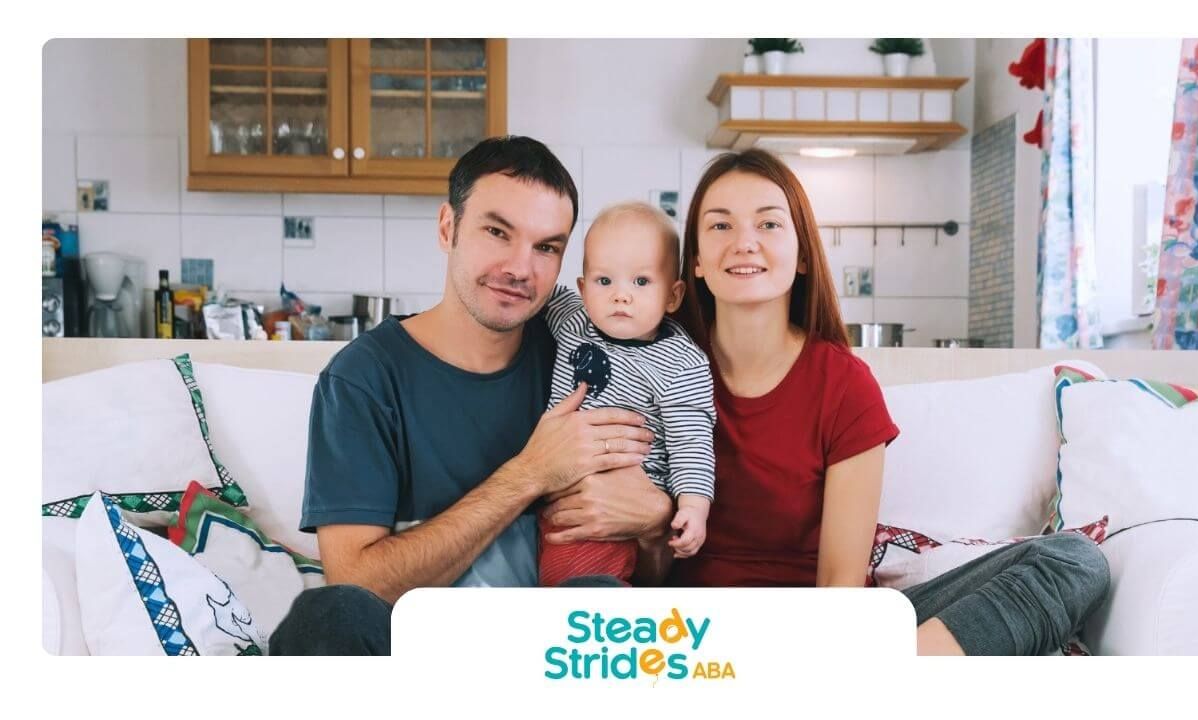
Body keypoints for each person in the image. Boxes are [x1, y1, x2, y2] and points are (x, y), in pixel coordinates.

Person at [545, 148, 1111, 656]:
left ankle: (866, 685)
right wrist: (654, 527)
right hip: (697, 640)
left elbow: (839, 587)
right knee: (587, 605)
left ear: (802, 254)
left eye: (769, 223)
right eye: (720, 225)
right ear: (694, 261)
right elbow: (648, 576)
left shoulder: (844, 384)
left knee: (1073, 561)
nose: (744, 241)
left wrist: (813, 656)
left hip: (823, 635)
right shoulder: (647, 367)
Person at [269, 136, 676, 655]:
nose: (520, 268)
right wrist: (530, 474)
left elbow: (648, 578)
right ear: (448, 228)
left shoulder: (585, 359)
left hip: (548, 660)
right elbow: (357, 582)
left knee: (605, 604)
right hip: (413, 657)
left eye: (546, 247)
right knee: (324, 617)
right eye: (497, 232)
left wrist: (654, 524)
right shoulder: (364, 377)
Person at [537, 202, 716, 587]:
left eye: (641, 282)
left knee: (577, 589)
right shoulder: (574, 320)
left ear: (673, 295)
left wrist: (694, 508)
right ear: (583, 289)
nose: (621, 295)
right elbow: (536, 287)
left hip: (619, 513)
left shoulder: (680, 364)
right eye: (604, 281)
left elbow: (692, 444)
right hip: (556, 495)